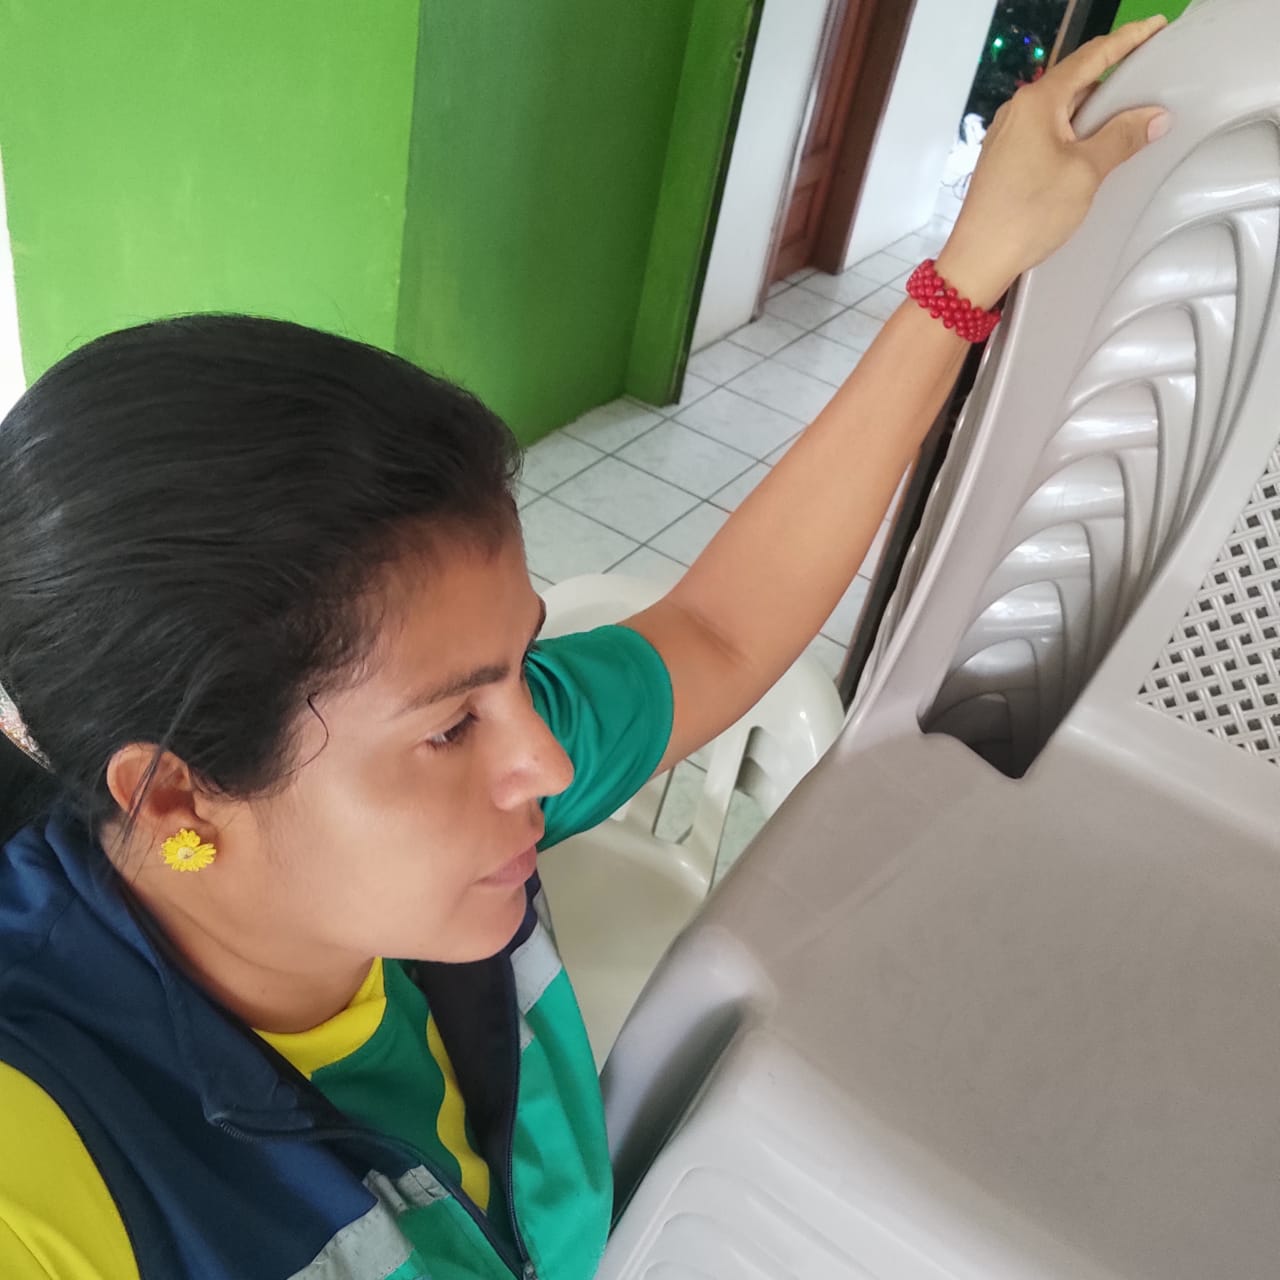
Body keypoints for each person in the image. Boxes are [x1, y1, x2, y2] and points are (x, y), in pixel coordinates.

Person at [0, 18, 1171, 1280]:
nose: (550, 763)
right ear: (179, 794)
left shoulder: (417, 839)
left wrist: (971, 265)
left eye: (517, 666)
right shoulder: (53, 1152)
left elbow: (715, 629)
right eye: (453, 723)